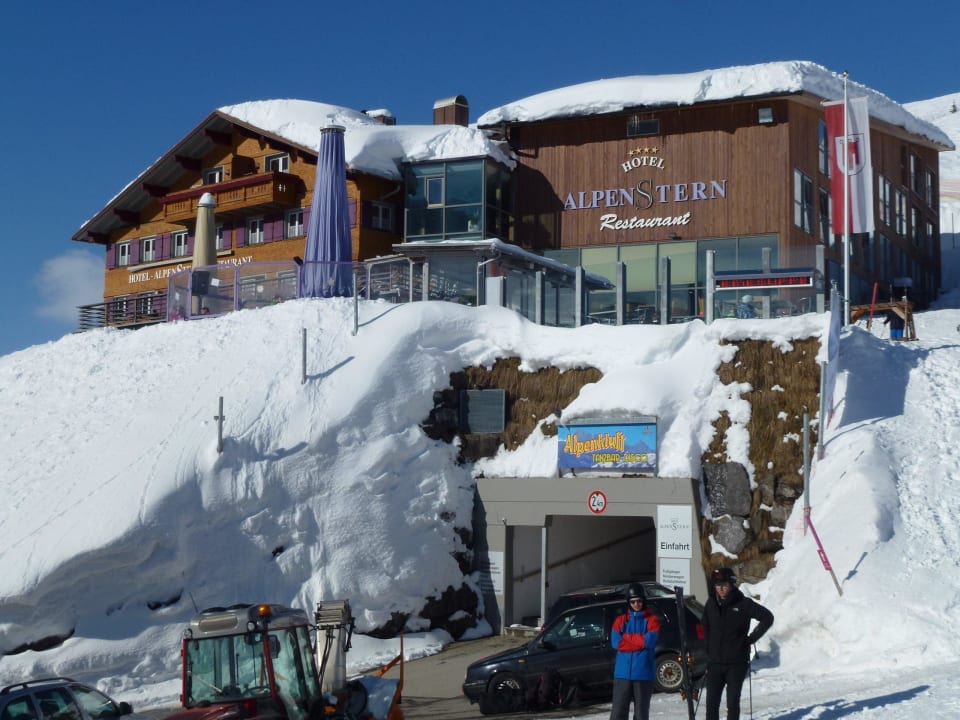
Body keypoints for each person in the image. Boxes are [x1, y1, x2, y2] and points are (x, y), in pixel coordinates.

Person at [702, 567, 774, 720]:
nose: (720, 588)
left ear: (732, 584)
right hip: (715, 663)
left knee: (732, 703)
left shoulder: (743, 603)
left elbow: (767, 617)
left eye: (724, 585)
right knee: (711, 704)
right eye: (717, 585)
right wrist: (708, 648)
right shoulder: (711, 603)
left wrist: (750, 639)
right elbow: (705, 626)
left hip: (736, 663)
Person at [609, 583, 660, 720]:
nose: (636, 604)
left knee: (641, 713)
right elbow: (616, 642)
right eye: (633, 601)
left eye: (639, 601)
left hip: (643, 674)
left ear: (643, 601)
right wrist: (640, 643)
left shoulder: (652, 620)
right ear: (628, 602)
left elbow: (649, 641)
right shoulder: (620, 621)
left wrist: (627, 638)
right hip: (622, 674)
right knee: (618, 712)